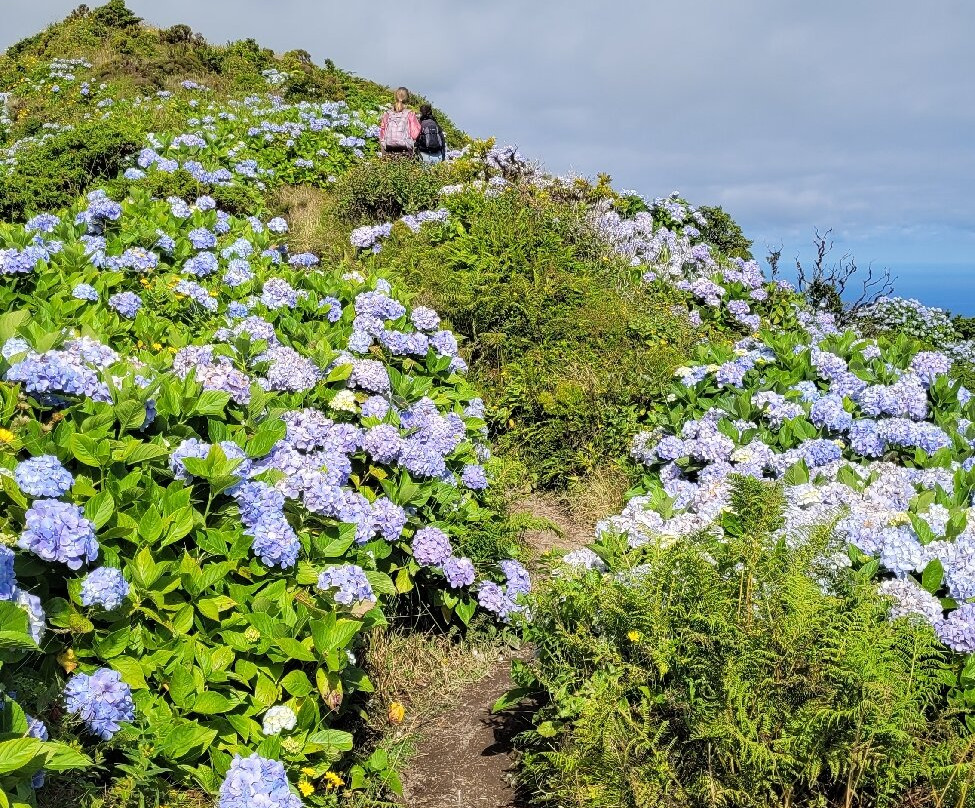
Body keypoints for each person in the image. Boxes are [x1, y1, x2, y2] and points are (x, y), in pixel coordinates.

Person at [379, 87, 421, 157]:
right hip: (405, 149)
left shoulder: (387, 114)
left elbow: (382, 132)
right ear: (407, 98)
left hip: (388, 148)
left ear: (395, 97)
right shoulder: (410, 114)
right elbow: (414, 134)